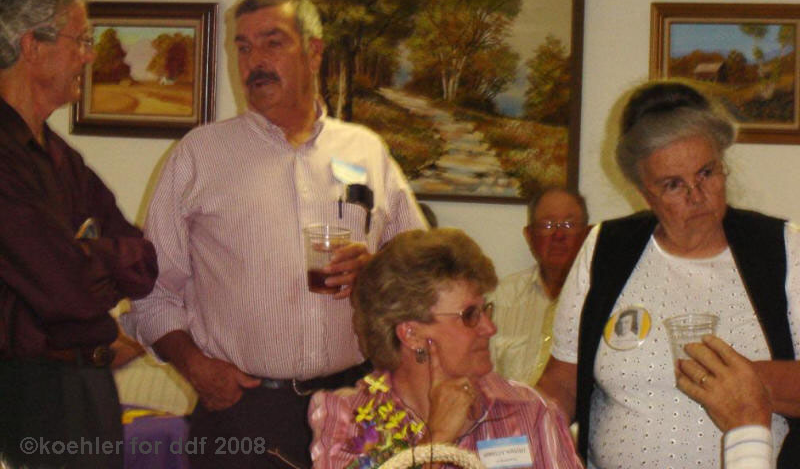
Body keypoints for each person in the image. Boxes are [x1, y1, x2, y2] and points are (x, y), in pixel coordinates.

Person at [122, 0, 427, 469]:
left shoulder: (366, 151)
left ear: (314, 51)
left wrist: (378, 270)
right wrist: (194, 366)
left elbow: (425, 269)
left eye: (272, 43)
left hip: (356, 405)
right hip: (241, 411)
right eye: (243, 48)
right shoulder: (200, 156)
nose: (254, 62)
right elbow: (149, 292)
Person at [537, 80, 800, 468]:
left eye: (706, 173)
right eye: (673, 185)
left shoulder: (781, 248)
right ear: (645, 194)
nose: (697, 196)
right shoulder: (606, 249)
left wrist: (743, 381)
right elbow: (562, 384)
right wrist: (514, 428)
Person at [0, 0, 158, 468]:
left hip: (88, 389)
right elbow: (64, 286)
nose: (90, 56)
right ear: (32, 46)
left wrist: (88, 258)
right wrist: (94, 266)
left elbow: (144, 260)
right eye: (81, 40)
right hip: (27, 395)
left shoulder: (60, 157)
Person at [308, 228, 584, 469]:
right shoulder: (347, 417)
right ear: (411, 334)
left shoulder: (531, 412)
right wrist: (437, 440)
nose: (490, 328)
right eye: (470, 315)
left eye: (486, 309)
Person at [490, 187, 588, 384]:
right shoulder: (500, 297)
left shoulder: (603, 299)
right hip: (511, 413)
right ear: (529, 235)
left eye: (569, 225)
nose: (559, 235)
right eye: (547, 224)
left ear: (587, 234)